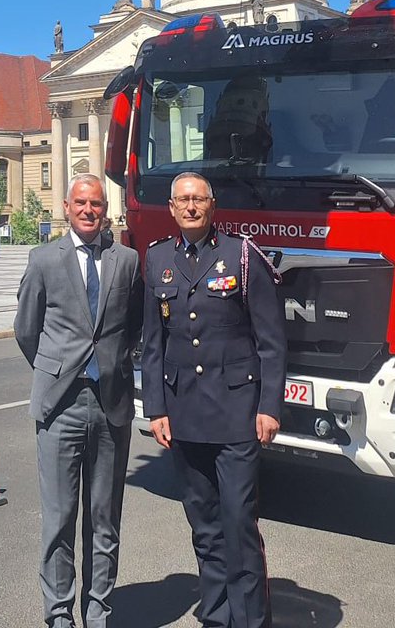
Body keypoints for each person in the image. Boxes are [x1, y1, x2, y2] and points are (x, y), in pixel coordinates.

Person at [141, 172, 286, 628]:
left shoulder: (241, 257)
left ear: (212, 205)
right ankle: (218, 617)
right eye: (182, 200)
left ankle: (250, 621)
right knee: (204, 528)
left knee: (239, 524)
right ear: (171, 207)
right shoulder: (157, 259)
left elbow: (271, 341)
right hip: (183, 416)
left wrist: (269, 406)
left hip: (236, 415)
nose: (190, 207)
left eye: (198, 199)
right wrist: (156, 408)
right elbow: (152, 343)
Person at [15, 175, 144, 628]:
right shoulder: (44, 259)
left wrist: (114, 364)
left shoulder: (125, 261)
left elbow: (135, 325)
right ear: (67, 207)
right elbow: (27, 329)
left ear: (104, 210)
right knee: (59, 517)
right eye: (81, 203)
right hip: (60, 405)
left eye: (97, 204)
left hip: (110, 404)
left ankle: (98, 610)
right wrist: (54, 367)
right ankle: (58, 613)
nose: (89, 210)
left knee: (104, 518)